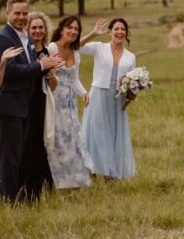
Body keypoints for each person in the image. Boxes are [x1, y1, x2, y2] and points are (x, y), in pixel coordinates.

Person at [0, 0, 58, 204]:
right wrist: (40, 66)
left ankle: (11, 198)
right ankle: (5, 201)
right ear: (7, 13)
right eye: (17, 13)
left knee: (17, 156)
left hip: (24, 107)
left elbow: (30, 71)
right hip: (8, 107)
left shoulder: (25, 38)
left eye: (24, 13)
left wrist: (49, 70)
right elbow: (10, 71)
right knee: (10, 158)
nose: (21, 17)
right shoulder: (3, 38)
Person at [80, 17, 137, 179]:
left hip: (118, 98)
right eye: (116, 29)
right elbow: (76, 46)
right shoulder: (99, 47)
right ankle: (91, 169)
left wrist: (132, 93)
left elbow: (131, 80)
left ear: (126, 33)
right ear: (110, 31)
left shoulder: (131, 57)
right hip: (98, 94)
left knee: (113, 132)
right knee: (96, 132)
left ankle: (110, 172)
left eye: (123, 29)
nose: (120, 32)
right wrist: (93, 33)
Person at [44, 15, 92, 189]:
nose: (73, 31)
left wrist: (84, 92)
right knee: (55, 140)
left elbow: (74, 79)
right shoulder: (51, 47)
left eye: (76, 29)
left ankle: (73, 180)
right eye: (69, 27)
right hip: (53, 100)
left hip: (69, 104)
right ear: (61, 29)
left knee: (72, 140)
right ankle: (53, 180)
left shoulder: (76, 52)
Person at [22, 11, 55, 200]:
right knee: (29, 141)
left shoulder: (48, 51)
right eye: (33, 27)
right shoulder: (25, 49)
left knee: (42, 141)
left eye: (40, 27)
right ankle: (28, 185)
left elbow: (52, 85)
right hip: (27, 100)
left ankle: (42, 184)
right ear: (27, 29)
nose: (37, 31)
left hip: (43, 100)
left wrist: (52, 73)